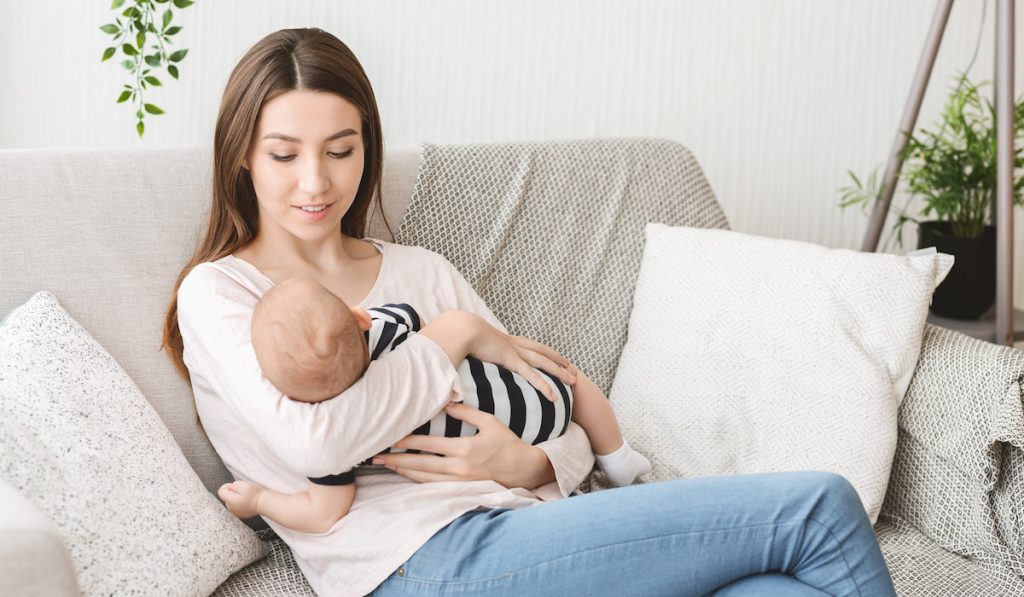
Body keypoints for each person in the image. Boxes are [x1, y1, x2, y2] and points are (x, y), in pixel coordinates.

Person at [162, 27, 897, 596]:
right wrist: (448, 339)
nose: (316, 181)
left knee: (775, 587)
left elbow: (556, 404)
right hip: (413, 566)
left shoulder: (422, 272)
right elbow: (316, 448)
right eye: (284, 154)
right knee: (820, 506)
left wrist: (529, 461)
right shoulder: (223, 293)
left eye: (341, 149)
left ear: (367, 150)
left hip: (528, 530)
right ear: (243, 159)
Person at [217, 277, 652, 534]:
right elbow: (426, 325)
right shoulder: (384, 327)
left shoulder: (340, 436)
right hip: (539, 392)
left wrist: (260, 500)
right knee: (575, 381)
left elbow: (324, 512)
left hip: (525, 457)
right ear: (360, 318)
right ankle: (618, 458)